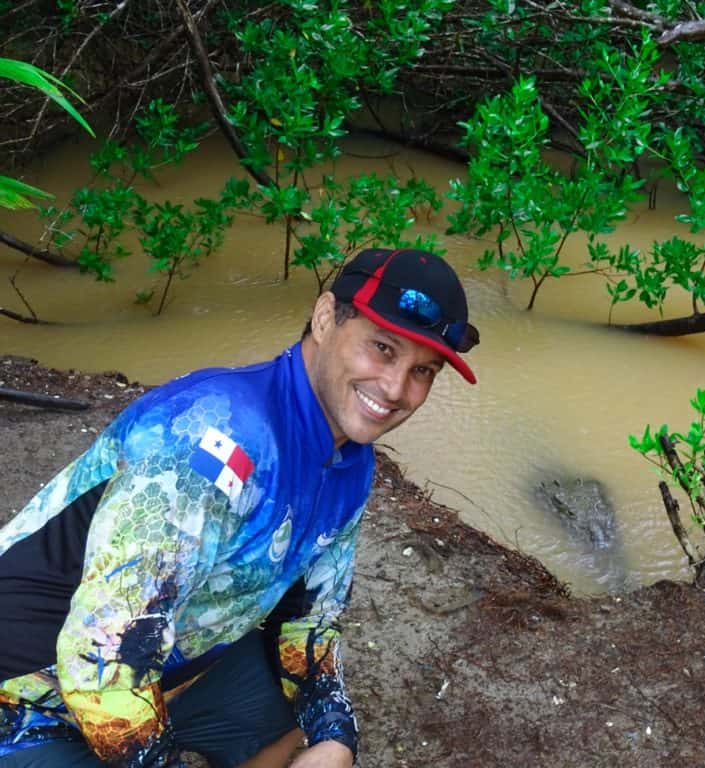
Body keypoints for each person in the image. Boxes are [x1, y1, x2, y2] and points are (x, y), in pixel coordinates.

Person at [0, 248, 479, 768]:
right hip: (28, 694)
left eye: (423, 371)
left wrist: (336, 737)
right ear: (324, 319)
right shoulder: (210, 440)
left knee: (297, 723)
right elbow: (100, 665)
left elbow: (309, 619)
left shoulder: (350, 462)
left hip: (171, 669)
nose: (396, 390)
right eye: (382, 348)